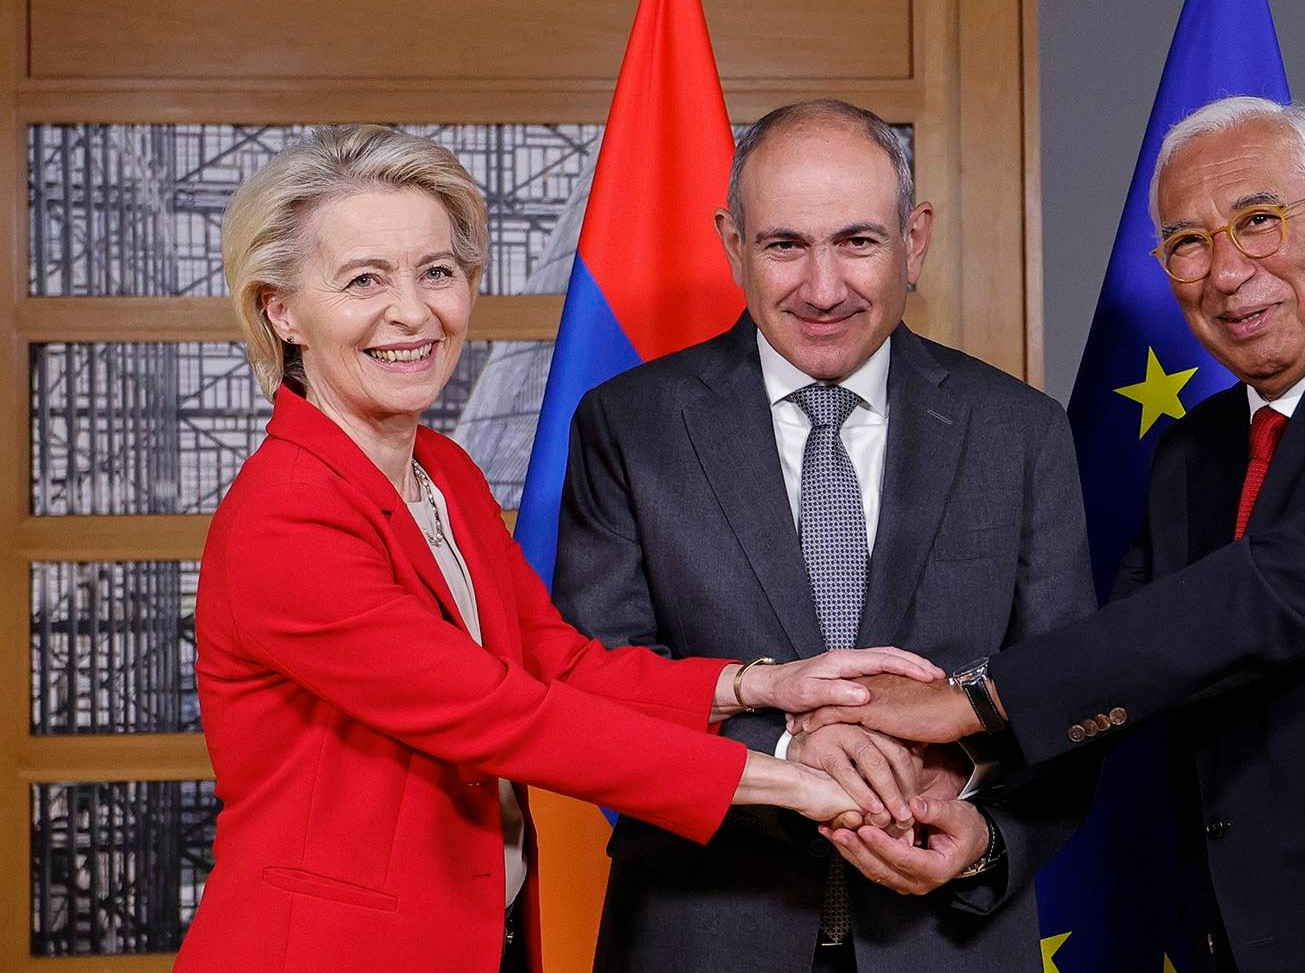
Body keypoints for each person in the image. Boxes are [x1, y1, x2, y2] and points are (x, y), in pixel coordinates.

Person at [795, 97, 1305, 973]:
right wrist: (974, 794)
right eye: (1187, 242)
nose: (1227, 272)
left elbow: (1260, 597)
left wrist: (971, 697)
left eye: (1259, 220)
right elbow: (1129, 664)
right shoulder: (1194, 451)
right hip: (1253, 942)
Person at [174, 124, 946, 973]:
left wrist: (758, 683)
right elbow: (497, 712)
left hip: (479, 938)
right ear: (281, 310)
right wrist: (791, 774)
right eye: (365, 279)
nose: (414, 312)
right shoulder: (287, 516)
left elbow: (556, 663)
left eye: (437, 271)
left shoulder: (443, 471)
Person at [551, 100, 1096, 973]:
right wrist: (782, 750)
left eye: (857, 241)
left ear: (914, 239)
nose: (823, 288)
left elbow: (1070, 694)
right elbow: (596, 685)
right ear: (733, 244)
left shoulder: (1020, 432)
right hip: (702, 933)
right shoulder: (629, 426)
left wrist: (987, 835)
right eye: (784, 245)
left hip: (948, 941)